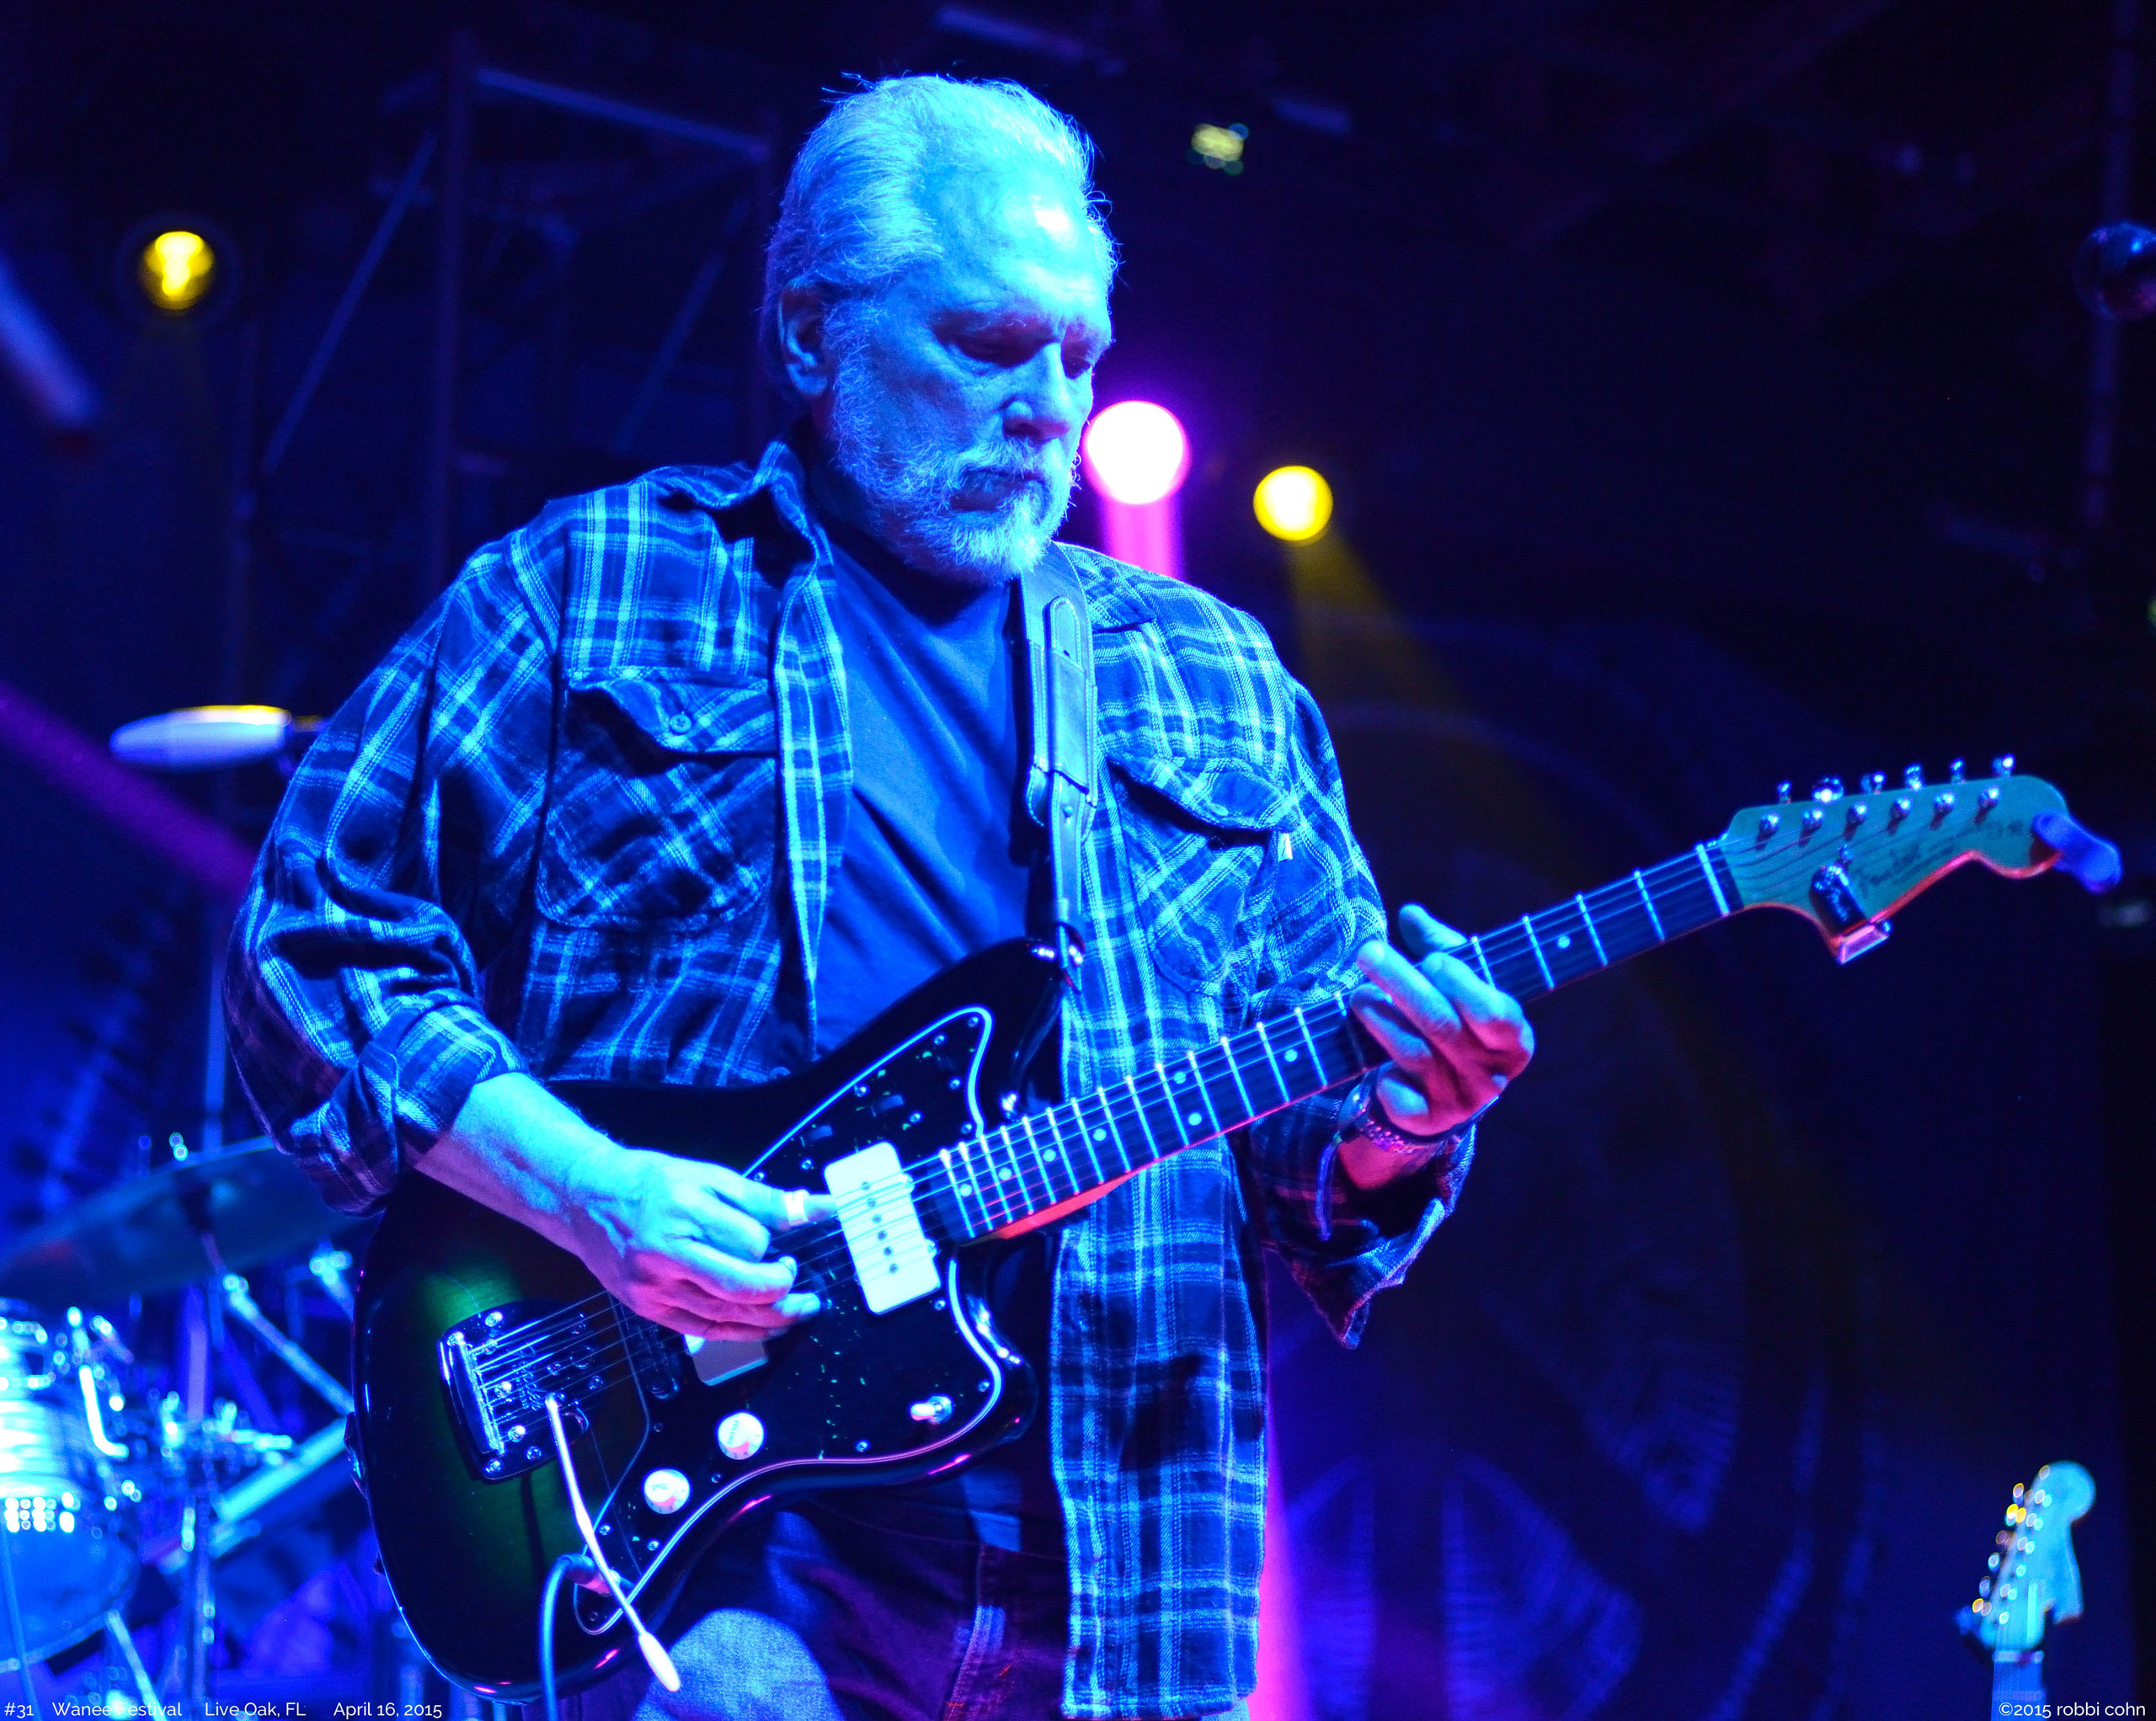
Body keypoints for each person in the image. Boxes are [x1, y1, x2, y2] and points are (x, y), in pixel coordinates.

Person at [225, 75, 1530, 1721]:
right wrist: (594, 1194)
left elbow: (1309, 1153)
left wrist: (1403, 1120)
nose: (1047, 409)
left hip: (1125, 1564)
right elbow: (314, 944)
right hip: (721, 1554)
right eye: (988, 344)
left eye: (1078, 358)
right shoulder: (594, 588)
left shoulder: (1218, 681)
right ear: (808, 333)